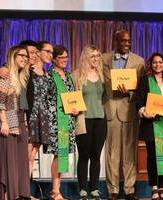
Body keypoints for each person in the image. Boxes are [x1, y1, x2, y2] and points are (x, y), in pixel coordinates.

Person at [102, 30, 145, 200]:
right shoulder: (104, 59)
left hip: (129, 110)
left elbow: (142, 88)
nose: (126, 43)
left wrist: (130, 92)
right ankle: (112, 190)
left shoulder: (139, 61)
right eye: (123, 41)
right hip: (110, 109)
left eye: (128, 41)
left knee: (129, 152)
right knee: (112, 153)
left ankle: (129, 189)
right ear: (116, 41)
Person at [0, 45, 30, 200]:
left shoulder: (21, 78)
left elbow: (22, 105)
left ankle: (18, 195)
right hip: (8, 124)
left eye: (26, 57)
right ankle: (7, 195)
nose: (25, 59)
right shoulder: (5, 76)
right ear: (13, 57)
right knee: (9, 163)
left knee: (20, 163)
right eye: (21, 55)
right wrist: (4, 122)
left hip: (20, 123)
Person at [135, 52, 163, 200]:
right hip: (151, 125)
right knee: (152, 157)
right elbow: (139, 100)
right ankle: (154, 187)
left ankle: (162, 187)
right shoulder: (145, 81)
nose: (158, 65)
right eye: (155, 62)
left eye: (160, 62)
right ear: (150, 64)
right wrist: (144, 112)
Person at [72, 45, 107, 200]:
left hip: (100, 120)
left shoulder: (103, 75)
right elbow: (70, 98)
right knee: (84, 155)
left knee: (96, 156)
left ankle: (94, 189)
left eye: (98, 55)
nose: (96, 59)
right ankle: (83, 190)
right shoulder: (77, 76)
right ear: (86, 57)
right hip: (84, 120)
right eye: (92, 56)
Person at [44, 45, 78, 200]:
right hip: (55, 120)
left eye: (66, 57)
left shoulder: (69, 76)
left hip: (68, 120)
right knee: (58, 154)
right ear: (53, 59)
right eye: (61, 57)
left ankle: (57, 190)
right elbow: (45, 98)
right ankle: (55, 190)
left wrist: (76, 108)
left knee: (62, 154)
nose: (65, 60)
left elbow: (72, 98)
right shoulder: (48, 75)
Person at [27, 41, 53, 179]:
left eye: (52, 53)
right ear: (38, 52)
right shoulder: (28, 72)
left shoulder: (47, 74)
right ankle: (19, 191)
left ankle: (26, 191)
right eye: (47, 51)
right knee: (26, 154)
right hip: (30, 114)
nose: (50, 55)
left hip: (42, 116)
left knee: (33, 155)